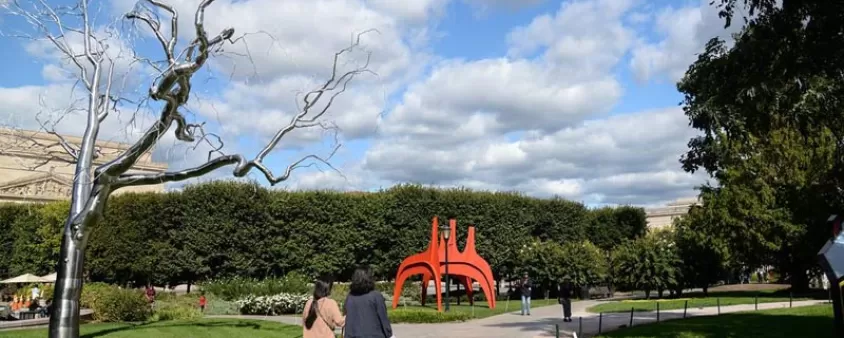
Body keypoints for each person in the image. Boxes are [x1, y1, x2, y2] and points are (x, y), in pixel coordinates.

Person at [343, 267, 394, 338]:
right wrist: (390, 334)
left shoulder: (350, 297)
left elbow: (346, 317)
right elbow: (383, 318)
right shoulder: (376, 296)